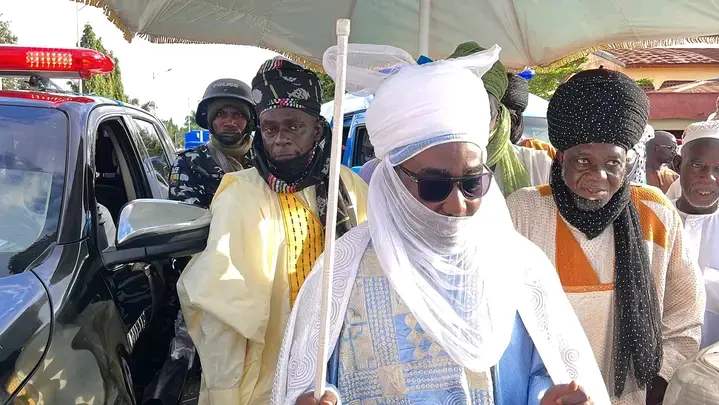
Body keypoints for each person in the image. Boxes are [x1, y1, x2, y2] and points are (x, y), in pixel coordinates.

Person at [273, 44, 611, 405]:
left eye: (472, 183)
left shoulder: (519, 266)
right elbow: (317, 384)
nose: (458, 204)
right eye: (434, 185)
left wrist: (549, 397)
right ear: (390, 182)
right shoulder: (342, 270)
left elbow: (541, 373)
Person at [506, 69, 705, 405]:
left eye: (612, 163)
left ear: (627, 163)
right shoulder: (524, 210)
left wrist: (660, 381)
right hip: (548, 396)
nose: (597, 177)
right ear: (559, 157)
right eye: (583, 160)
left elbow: (684, 313)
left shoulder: (655, 211)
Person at [177, 57, 369, 405]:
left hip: (346, 364)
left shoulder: (350, 187)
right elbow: (224, 317)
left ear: (318, 130)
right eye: (269, 128)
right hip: (267, 379)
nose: (280, 139)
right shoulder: (238, 192)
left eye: (293, 126)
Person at [448, 42, 552, 197]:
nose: (470, 120)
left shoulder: (537, 164)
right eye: (460, 108)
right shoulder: (424, 163)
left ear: (497, 114)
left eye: (481, 110)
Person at [168, 78, 256, 208]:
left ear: (248, 120)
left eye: (238, 114)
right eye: (220, 114)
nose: (230, 122)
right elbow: (187, 218)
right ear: (210, 120)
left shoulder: (265, 159)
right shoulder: (190, 163)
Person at [672, 120, 719, 348]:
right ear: (678, 163)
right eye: (697, 165)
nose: (708, 177)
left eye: (718, 169)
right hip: (651, 372)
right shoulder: (651, 220)